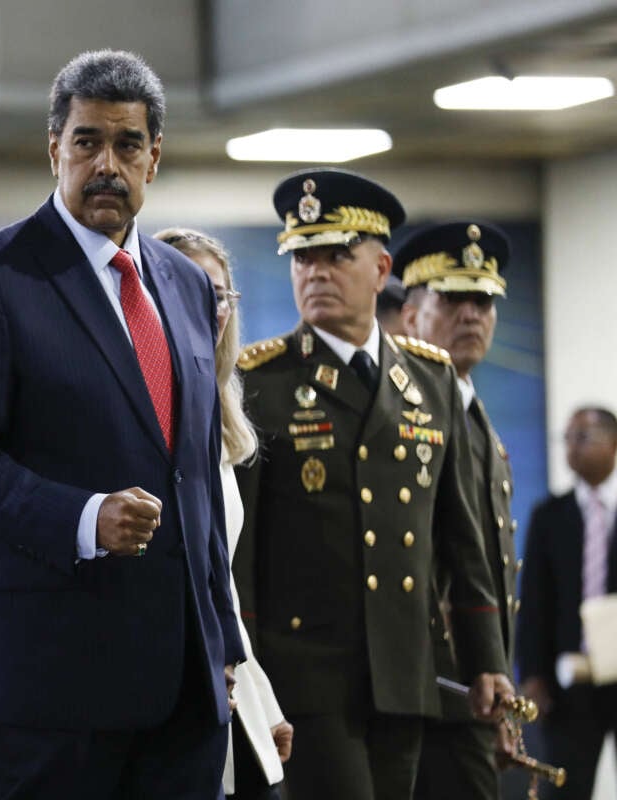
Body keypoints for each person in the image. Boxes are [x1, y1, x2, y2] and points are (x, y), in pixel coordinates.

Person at [0, 50, 244, 800]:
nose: (107, 163)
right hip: (59, 675)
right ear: (54, 149)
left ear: (154, 158)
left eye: (127, 144)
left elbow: (192, 473)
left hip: (187, 682)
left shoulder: (187, 284)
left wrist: (222, 638)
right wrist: (84, 516)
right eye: (87, 141)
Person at [234, 168, 513, 800]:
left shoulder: (429, 379)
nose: (316, 272)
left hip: (402, 669)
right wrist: (243, 666)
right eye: (303, 257)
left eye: (337, 256)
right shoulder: (261, 382)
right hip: (304, 673)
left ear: (382, 266)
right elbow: (243, 551)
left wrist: (487, 658)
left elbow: (459, 532)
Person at [156, 227, 293, 800]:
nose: (208, 308)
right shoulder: (147, 408)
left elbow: (223, 589)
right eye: (188, 289)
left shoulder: (217, 407)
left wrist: (263, 704)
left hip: (232, 686)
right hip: (169, 694)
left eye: (218, 294)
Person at [397, 221, 519, 800]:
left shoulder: (475, 418)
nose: (472, 314)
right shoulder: (406, 417)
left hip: (470, 689)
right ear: (411, 313)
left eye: (484, 301)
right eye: (452, 298)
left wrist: (495, 679)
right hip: (429, 689)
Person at [516, 406, 617, 800]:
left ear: (612, 444)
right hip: (570, 682)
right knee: (566, 788)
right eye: (568, 438)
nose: (572, 447)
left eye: (584, 437)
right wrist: (534, 676)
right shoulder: (550, 516)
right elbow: (535, 603)